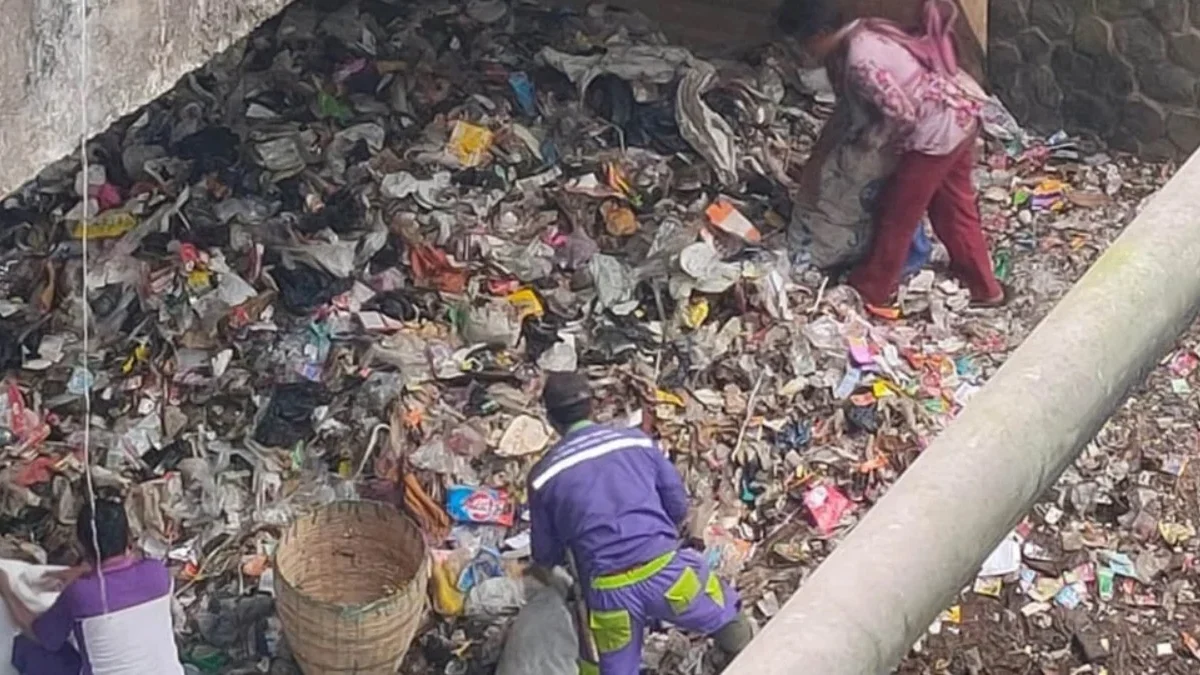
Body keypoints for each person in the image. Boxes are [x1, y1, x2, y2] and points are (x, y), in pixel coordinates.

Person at [780, 0, 1005, 313]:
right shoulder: (865, 30)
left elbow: (903, 114)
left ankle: (872, 289)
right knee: (953, 206)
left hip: (936, 131)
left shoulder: (859, 60)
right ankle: (985, 287)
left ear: (820, 34)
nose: (804, 53)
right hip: (959, 112)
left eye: (804, 44)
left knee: (897, 213)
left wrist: (875, 143)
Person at [527, 372, 752, 675]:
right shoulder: (637, 442)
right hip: (667, 575)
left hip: (609, 594)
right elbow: (677, 505)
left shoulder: (543, 476)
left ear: (551, 419)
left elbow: (545, 554)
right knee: (727, 615)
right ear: (593, 406)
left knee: (614, 667)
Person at [0, 499, 184, 675]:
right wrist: (83, 571)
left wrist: (7, 589)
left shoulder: (80, 594)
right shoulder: (157, 572)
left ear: (79, 545)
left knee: (26, 648)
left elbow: (40, 635)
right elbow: (124, 571)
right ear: (128, 536)